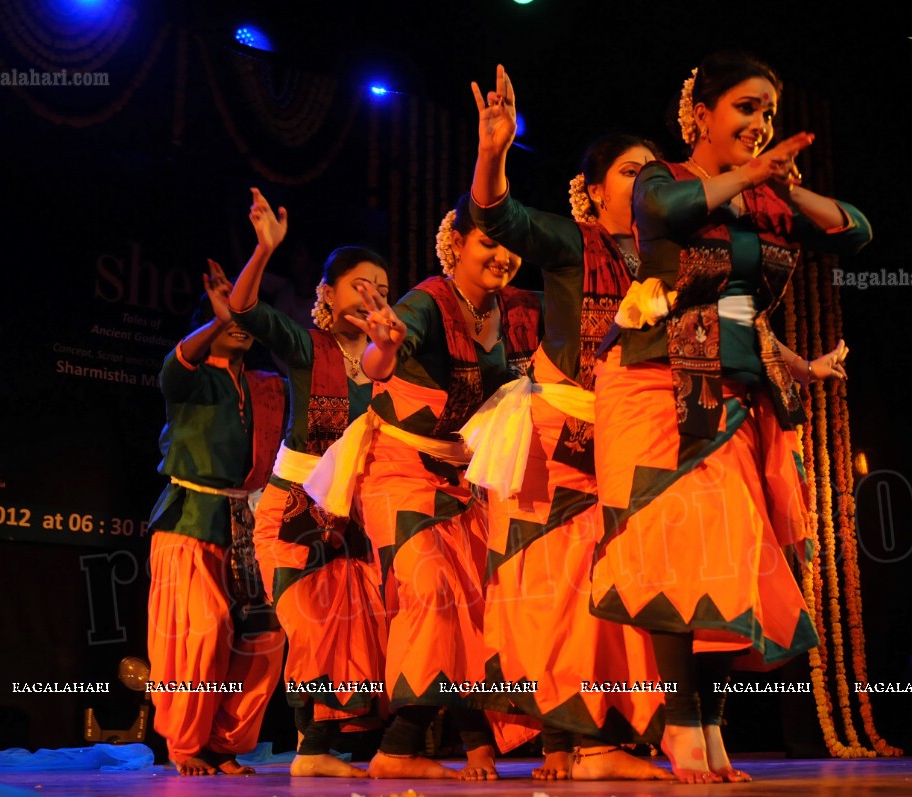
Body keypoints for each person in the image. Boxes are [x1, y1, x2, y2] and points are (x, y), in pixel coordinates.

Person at [590, 50, 870, 783]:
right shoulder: (664, 178)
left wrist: (786, 185)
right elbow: (665, 214)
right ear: (700, 115)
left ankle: (707, 727)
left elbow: (855, 232)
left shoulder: (771, 201)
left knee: (727, 562)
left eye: (768, 112)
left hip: (740, 393)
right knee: (678, 551)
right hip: (659, 384)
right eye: (744, 108)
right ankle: (681, 726)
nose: (758, 123)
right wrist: (748, 173)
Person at [464, 64, 671, 781]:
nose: (645, 177)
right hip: (558, 440)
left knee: (624, 588)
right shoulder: (566, 241)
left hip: (631, 435)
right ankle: (579, 741)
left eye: (654, 168)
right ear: (592, 187)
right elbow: (497, 216)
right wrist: (494, 151)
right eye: (628, 169)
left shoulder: (667, 256)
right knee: (556, 593)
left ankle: (603, 736)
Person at [348, 196, 542, 780]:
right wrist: (382, 342)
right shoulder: (427, 301)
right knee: (431, 588)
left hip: (464, 480)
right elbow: (382, 363)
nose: (502, 257)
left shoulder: (514, 311)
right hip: (397, 470)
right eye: (488, 243)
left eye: (509, 246)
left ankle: (476, 738)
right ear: (456, 243)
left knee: (479, 604)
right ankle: (399, 744)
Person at [229, 189, 390, 778]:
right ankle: (310, 749)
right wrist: (264, 250)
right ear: (328, 293)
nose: (371, 294)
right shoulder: (307, 346)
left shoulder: (390, 362)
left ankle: (333, 746)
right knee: (312, 625)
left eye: (381, 287)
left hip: (351, 518)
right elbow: (244, 309)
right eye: (359, 284)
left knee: (360, 633)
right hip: (293, 510)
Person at [146, 259, 287, 776]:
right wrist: (219, 317)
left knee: (264, 637)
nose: (239, 328)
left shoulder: (268, 387)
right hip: (190, 524)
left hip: (247, 526)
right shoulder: (189, 381)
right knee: (202, 631)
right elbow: (176, 362)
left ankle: (224, 745)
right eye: (228, 321)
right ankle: (186, 743)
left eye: (245, 320)